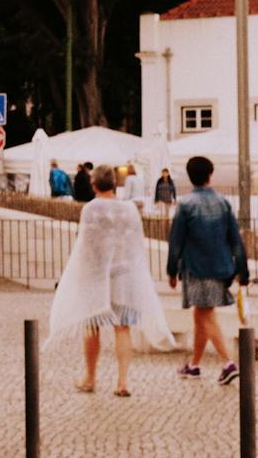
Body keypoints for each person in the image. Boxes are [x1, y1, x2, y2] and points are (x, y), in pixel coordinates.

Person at [49, 163, 173, 396]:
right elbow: (135, 243)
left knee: (92, 325)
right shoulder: (129, 209)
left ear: (94, 184)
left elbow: (85, 244)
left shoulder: (91, 209)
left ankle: (91, 377)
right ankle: (123, 381)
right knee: (122, 326)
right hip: (125, 274)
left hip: (96, 274)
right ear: (115, 184)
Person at [167, 154, 250, 386]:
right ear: (210, 175)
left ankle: (228, 363)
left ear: (190, 177)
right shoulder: (223, 202)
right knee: (200, 314)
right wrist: (243, 270)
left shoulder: (185, 204)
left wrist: (171, 270)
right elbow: (236, 239)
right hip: (222, 266)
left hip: (196, 267)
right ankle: (194, 364)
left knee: (205, 315)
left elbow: (176, 241)